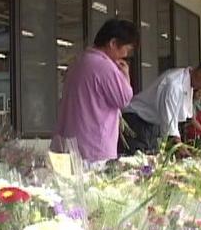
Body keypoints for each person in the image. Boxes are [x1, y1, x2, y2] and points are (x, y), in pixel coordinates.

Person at [50, 19, 138, 166]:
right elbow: (123, 99)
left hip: (68, 145)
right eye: (126, 50)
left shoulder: (78, 61)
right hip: (94, 149)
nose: (125, 56)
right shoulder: (104, 66)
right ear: (113, 43)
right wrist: (125, 76)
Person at [119, 55, 201, 157]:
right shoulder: (175, 85)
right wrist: (186, 155)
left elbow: (190, 117)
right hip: (136, 121)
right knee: (138, 164)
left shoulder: (189, 84)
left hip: (151, 123)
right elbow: (170, 130)